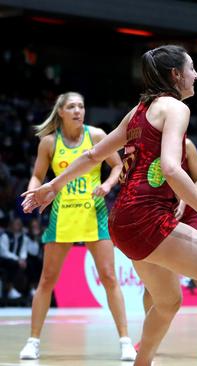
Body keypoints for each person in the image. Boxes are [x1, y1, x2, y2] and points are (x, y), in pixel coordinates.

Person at [21, 45, 197, 366]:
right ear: (176, 75)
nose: (196, 75)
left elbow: (92, 155)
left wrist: (53, 186)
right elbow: (170, 167)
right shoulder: (175, 108)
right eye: (192, 68)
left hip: (120, 222)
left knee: (168, 302)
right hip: (147, 217)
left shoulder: (138, 111)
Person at [18, 92, 136, 361]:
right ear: (60, 111)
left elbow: (118, 166)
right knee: (47, 279)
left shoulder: (96, 135)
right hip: (62, 216)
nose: (77, 111)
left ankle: (125, 341)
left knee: (109, 277)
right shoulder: (49, 143)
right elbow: (38, 175)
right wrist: (32, 193)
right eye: (71, 106)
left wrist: (106, 185)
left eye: (81, 106)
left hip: (94, 213)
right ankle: (33, 341)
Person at [142, 138, 197, 319]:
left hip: (188, 212)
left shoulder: (188, 145)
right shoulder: (148, 144)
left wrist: (184, 201)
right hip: (157, 213)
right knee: (152, 285)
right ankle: (147, 340)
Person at [0, 218, 29, 300]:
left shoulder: (23, 237)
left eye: (19, 224)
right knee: (12, 263)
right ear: (11, 225)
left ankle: (30, 290)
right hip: (4, 259)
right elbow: (4, 252)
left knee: (30, 264)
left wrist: (23, 259)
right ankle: (10, 289)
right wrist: (17, 260)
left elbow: (23, 250)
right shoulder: (5, 236)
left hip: (18, 261)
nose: (18, 226)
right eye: (16, 224)